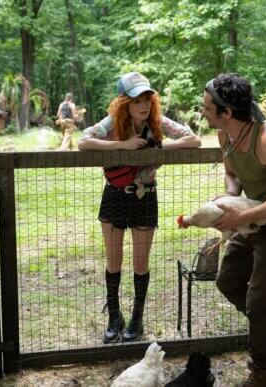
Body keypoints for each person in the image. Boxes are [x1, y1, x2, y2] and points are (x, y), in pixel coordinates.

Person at [201, 73, 266, 387]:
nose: (203, 112)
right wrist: (230, 199)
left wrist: (239, 218)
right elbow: (232, 174)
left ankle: (262, 370)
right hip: (250, 220)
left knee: (259, 303)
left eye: (207, 108)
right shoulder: (226, 136)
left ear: (227, 113)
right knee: (228, 281)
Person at [78, 72, 201, 343]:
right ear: (125, 102)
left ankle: (137, 318)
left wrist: (158, 150)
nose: (143, 106)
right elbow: (83, 141)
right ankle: (114, 316)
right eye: (137, 101)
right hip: (114, 196)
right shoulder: (112, 123)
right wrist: (122, 146)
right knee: (113, 261)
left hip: (146, 197)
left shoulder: (157, 122)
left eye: (147, 99)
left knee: (141, 263)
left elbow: (194, 139)